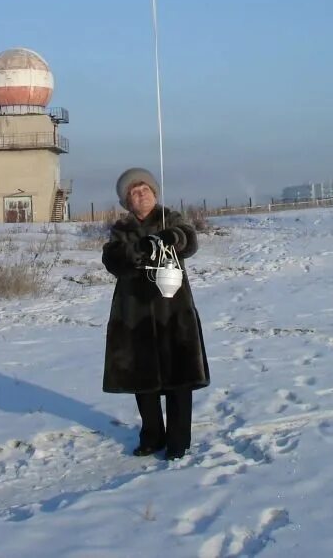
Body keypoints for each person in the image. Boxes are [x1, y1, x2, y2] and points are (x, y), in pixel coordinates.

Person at [102, 167, 209, 460]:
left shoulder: (170, 218)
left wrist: (169, 238)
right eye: (134, 193)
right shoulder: (121, 230)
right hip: (134, 315)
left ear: (154, 192)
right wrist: (137, 251)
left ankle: (178, 440)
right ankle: (152, 436)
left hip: (173, 312)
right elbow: (111, 259)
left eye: (145, 190)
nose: (141, 195)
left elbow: (189, 239)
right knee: (143, 381)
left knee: (179, 380)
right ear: (127, 201)